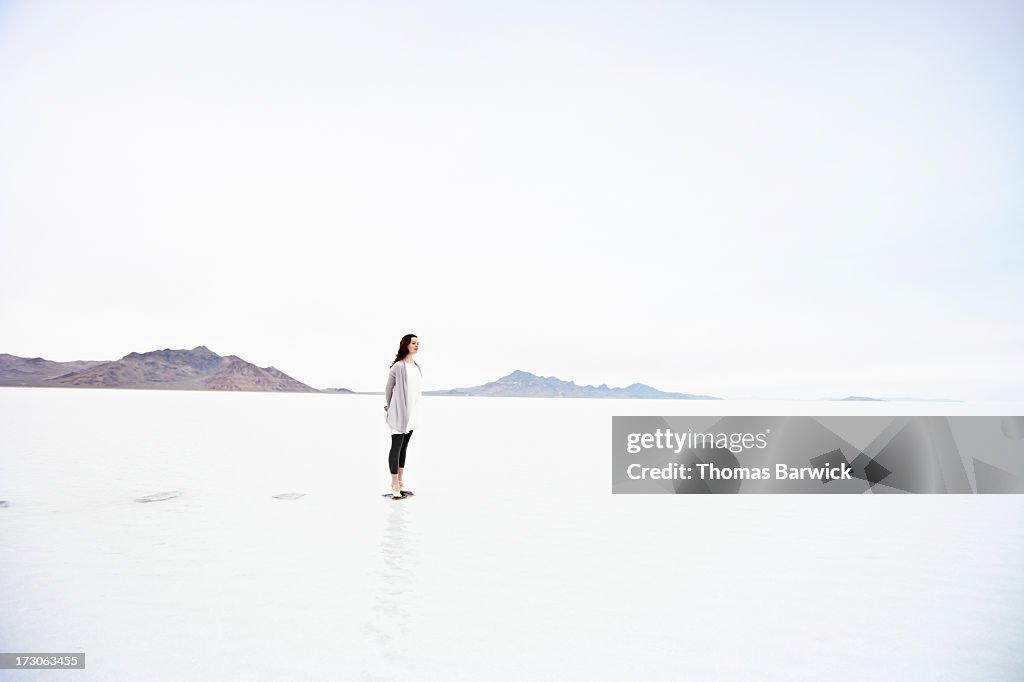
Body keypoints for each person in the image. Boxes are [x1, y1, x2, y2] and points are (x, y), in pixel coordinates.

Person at [384, 334, 421, 499]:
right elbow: (388, 389)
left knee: (404, 447)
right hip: (399, 413)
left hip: (411, 413)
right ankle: (394, 484)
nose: (416, 345)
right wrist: (391, 406)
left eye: (418, 343)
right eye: (413, 343)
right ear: (406, 345)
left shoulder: (417, 366)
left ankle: (401, 481)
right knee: (396, 446)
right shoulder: (398, 367)